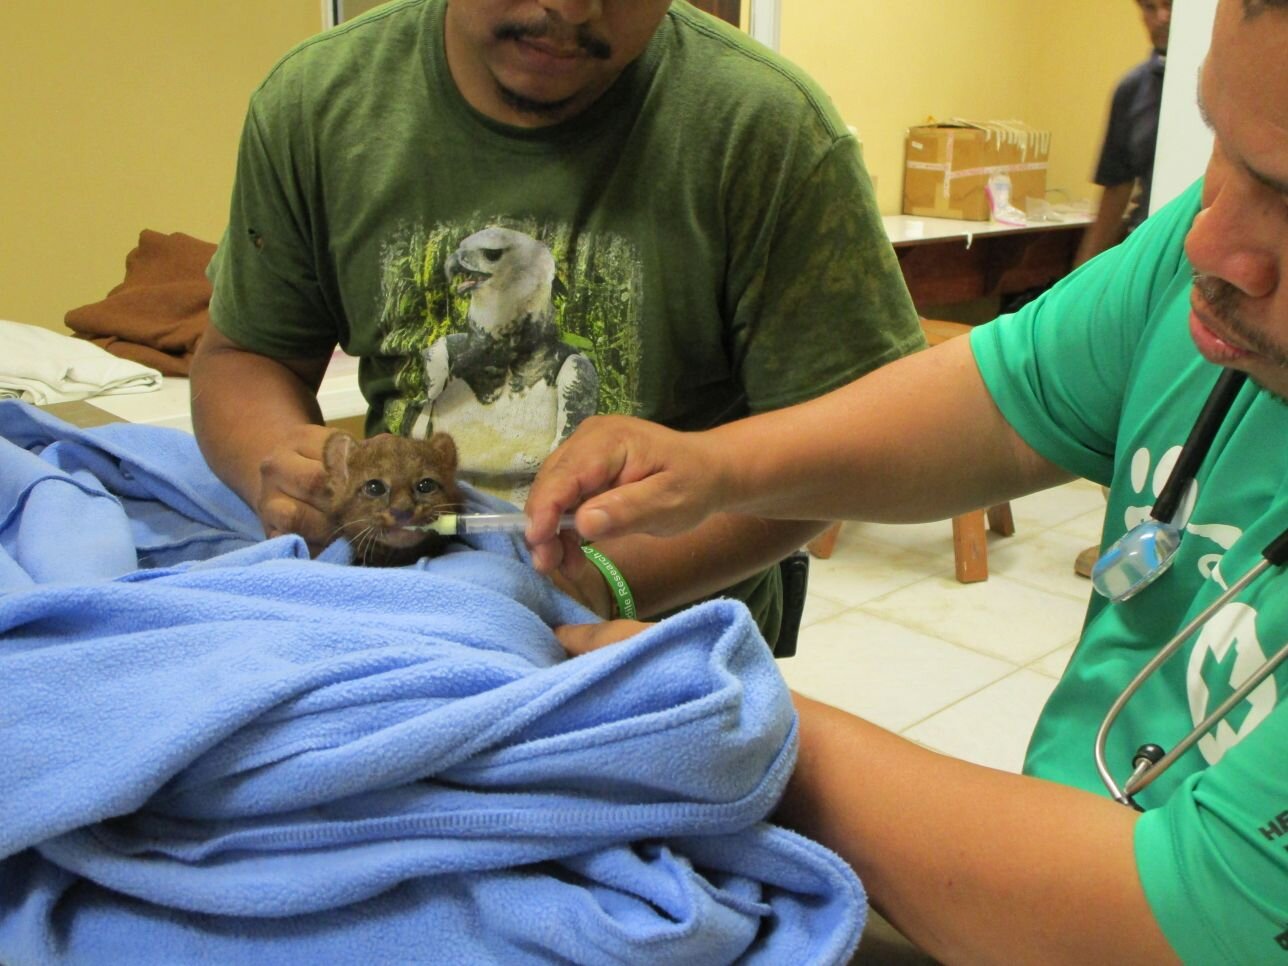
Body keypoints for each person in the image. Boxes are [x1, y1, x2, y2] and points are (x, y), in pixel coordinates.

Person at [524, 0, 1288, 959]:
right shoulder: (1200, 248)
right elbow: (993, 405)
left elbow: (1169, 923)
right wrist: (718, 465)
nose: (1210, 247)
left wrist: (721, 718)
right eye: (1223, 144)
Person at [189, 0, 923, 651]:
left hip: (662, 644)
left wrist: (603, 583)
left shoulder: (768, 132)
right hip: (405, 620)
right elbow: (246, 355)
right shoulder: (317, 105)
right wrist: (293, 471)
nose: (571, 10)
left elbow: (846, 448)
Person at [1074, 0, 1172, 268]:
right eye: (1150, 7)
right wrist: (1078, 283)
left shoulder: (1225, 80)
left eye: (1171, 4)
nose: (1162, 17)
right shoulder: (1132, 90)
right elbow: (1116, 192)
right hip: (1147, 251)